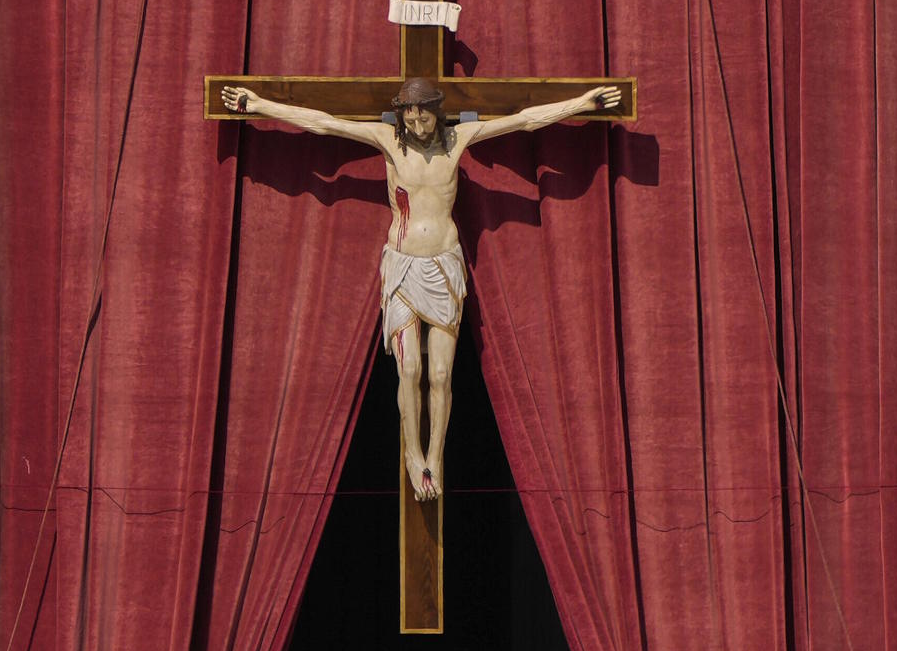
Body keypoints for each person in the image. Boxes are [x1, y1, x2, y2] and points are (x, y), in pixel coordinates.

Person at [216, 74, 621, 502]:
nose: (416, 121)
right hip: (404, 267)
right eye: (408, 113)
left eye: (422, 112)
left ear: (435, 111)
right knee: (409, 369)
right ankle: (413, 455)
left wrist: (582, 103)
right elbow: (323, 123)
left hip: (443, 266)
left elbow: (524, 120)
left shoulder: (458, 139)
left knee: (442, 374)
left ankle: (435, 454)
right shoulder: (389, 142)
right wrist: (259, 105)